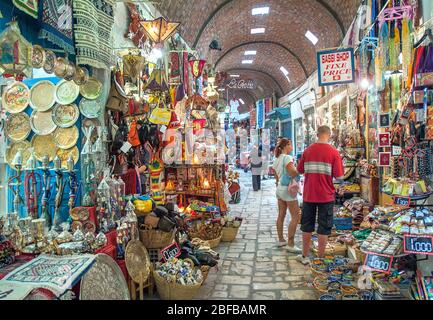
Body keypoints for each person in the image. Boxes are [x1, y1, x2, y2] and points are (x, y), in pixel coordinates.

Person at [296, 126, 344, 265]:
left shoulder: (307, 151)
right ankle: (320, 258)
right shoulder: (334, 152)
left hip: (309, 195)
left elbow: (299, 170)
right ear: (329, 135)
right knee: (324, 227)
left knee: (307, 225)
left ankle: (304, 256)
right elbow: (340, 176)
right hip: (326, 196)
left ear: (317, 135)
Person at [273, 138, 302, 253]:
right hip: (288, 189)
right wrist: (299, 169)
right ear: (285, 146)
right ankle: (290, 244)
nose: (292, 147)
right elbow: (293, 172)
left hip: (280, 188)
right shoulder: (287, 158)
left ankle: (281, 240)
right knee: (296, 216)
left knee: (281, 214)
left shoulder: (277, 159)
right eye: (290, 144)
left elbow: (276, 178)